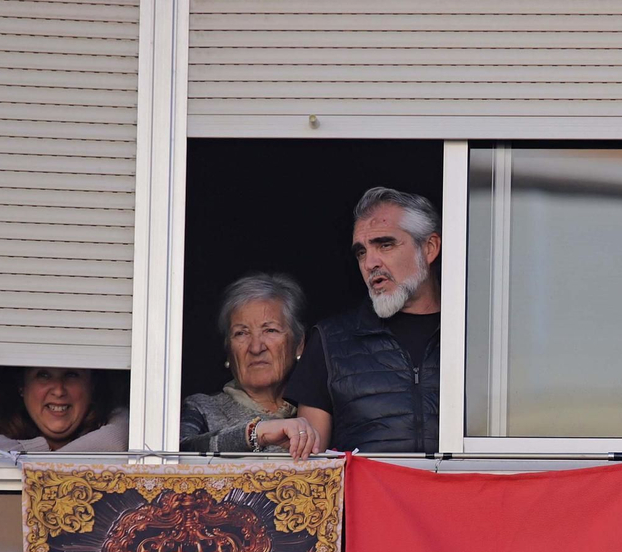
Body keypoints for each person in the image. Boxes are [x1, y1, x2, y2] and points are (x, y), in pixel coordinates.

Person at [283, 186, 441, 453]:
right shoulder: (330, 341)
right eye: (361, 252)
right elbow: (310, 469)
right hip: (365, 496)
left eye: (385, 244)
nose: (370, 263)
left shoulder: (477, 336)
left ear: (429, 248)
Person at [180, 273, 321, 458]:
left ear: (299, 344)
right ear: (228, 349)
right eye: (241, 333)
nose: (256, 347)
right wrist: (256, 433)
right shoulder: (203, 407)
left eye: (270, 330)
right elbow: (178, 452)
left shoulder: (318, 411)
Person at [0, 367, 127, 452]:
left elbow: (117, 438)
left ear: (91, 387)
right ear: (22, 387)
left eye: (71, 375)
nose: (58, 389)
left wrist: (23, 463)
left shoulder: (114, 422)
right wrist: (33, 451)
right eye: (43, 375)